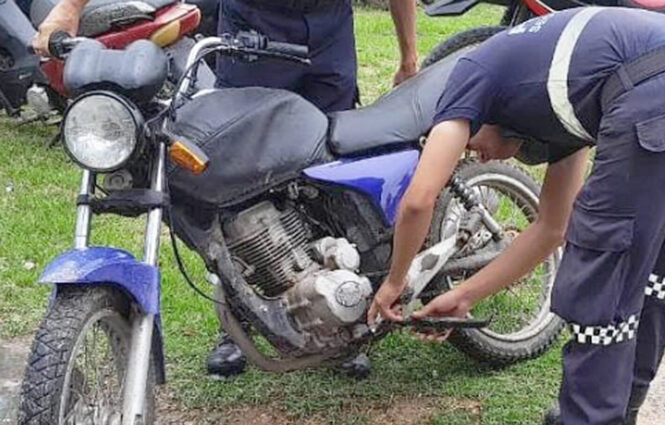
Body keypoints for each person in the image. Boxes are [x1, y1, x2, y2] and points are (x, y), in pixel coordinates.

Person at [367, 7, 665, 425]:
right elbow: (552, 227)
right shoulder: (555, 96)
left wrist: (396, 281)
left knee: (604, 271)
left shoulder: (468, 75)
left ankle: (587, 417)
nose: (476, 154)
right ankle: (622, 407)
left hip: (654, 91)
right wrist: (466, 294)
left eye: (470, 145)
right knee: (659, 270)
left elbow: (420, 199)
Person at [33, 0, 418, 377]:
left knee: (326, 175)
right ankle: (237, 325)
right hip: (255, 24)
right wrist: (69, 8)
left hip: (331, 29)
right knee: (232, 176)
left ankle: (337, 318)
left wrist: (408, 56)